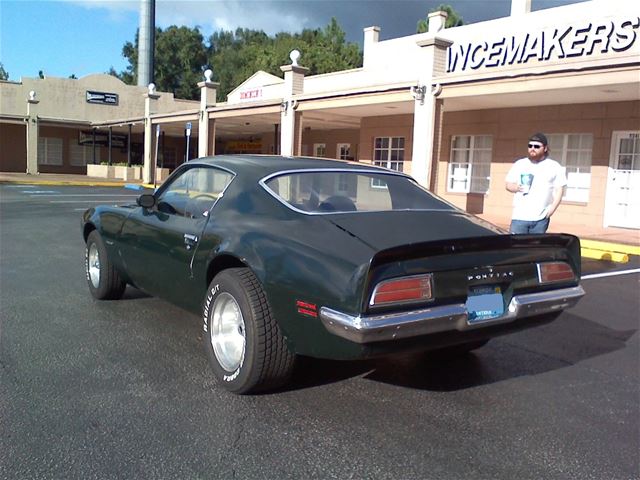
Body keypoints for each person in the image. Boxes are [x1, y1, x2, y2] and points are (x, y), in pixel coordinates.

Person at [505, 133, 566, 234]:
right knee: (516, 247)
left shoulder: (554, 166)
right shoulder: (520, 164)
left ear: (545, 148)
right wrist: (516, 187)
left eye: (536, 146)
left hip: (541, 219)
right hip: (519, 218)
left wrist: (551, 211)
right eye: (530, 146)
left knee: (535, 249)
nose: (532, 148)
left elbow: (559, 190)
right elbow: (508, 185)